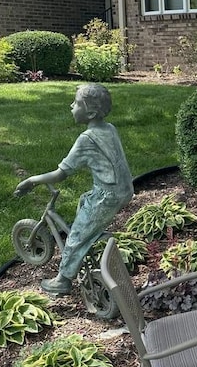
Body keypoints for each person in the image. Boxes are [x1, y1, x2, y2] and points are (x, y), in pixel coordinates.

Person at [15, 83, 134, 294]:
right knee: (84, 203)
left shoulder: (86, 139)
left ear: (91, 112)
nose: (71, 106)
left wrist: (31, 180)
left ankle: (63, 280)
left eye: (77, 103)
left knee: (76, 236)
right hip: (123, 190)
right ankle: (91, 239)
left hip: (108, 195)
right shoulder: (109, 128)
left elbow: (60, 174)